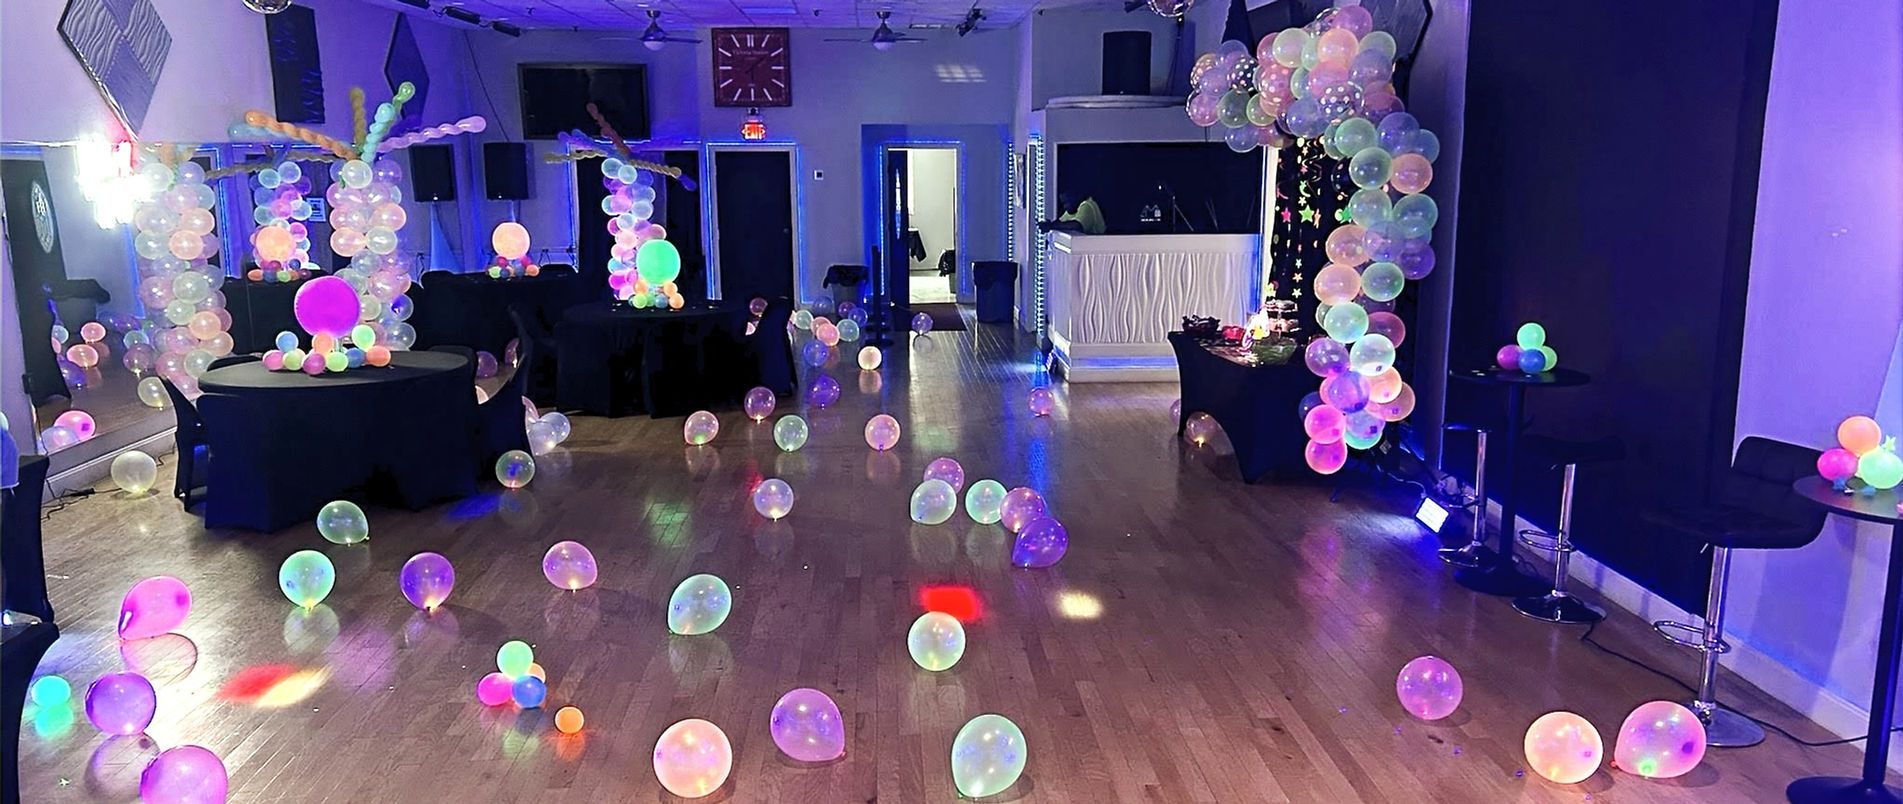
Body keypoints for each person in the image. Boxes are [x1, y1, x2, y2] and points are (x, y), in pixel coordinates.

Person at [1037, 193, 1106, 235]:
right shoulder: (1071, 210)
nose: (1065, 206)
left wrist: (1051, 226)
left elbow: (1077, 225)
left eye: (1066, 202)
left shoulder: (1087, 205)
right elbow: (1062, 222)